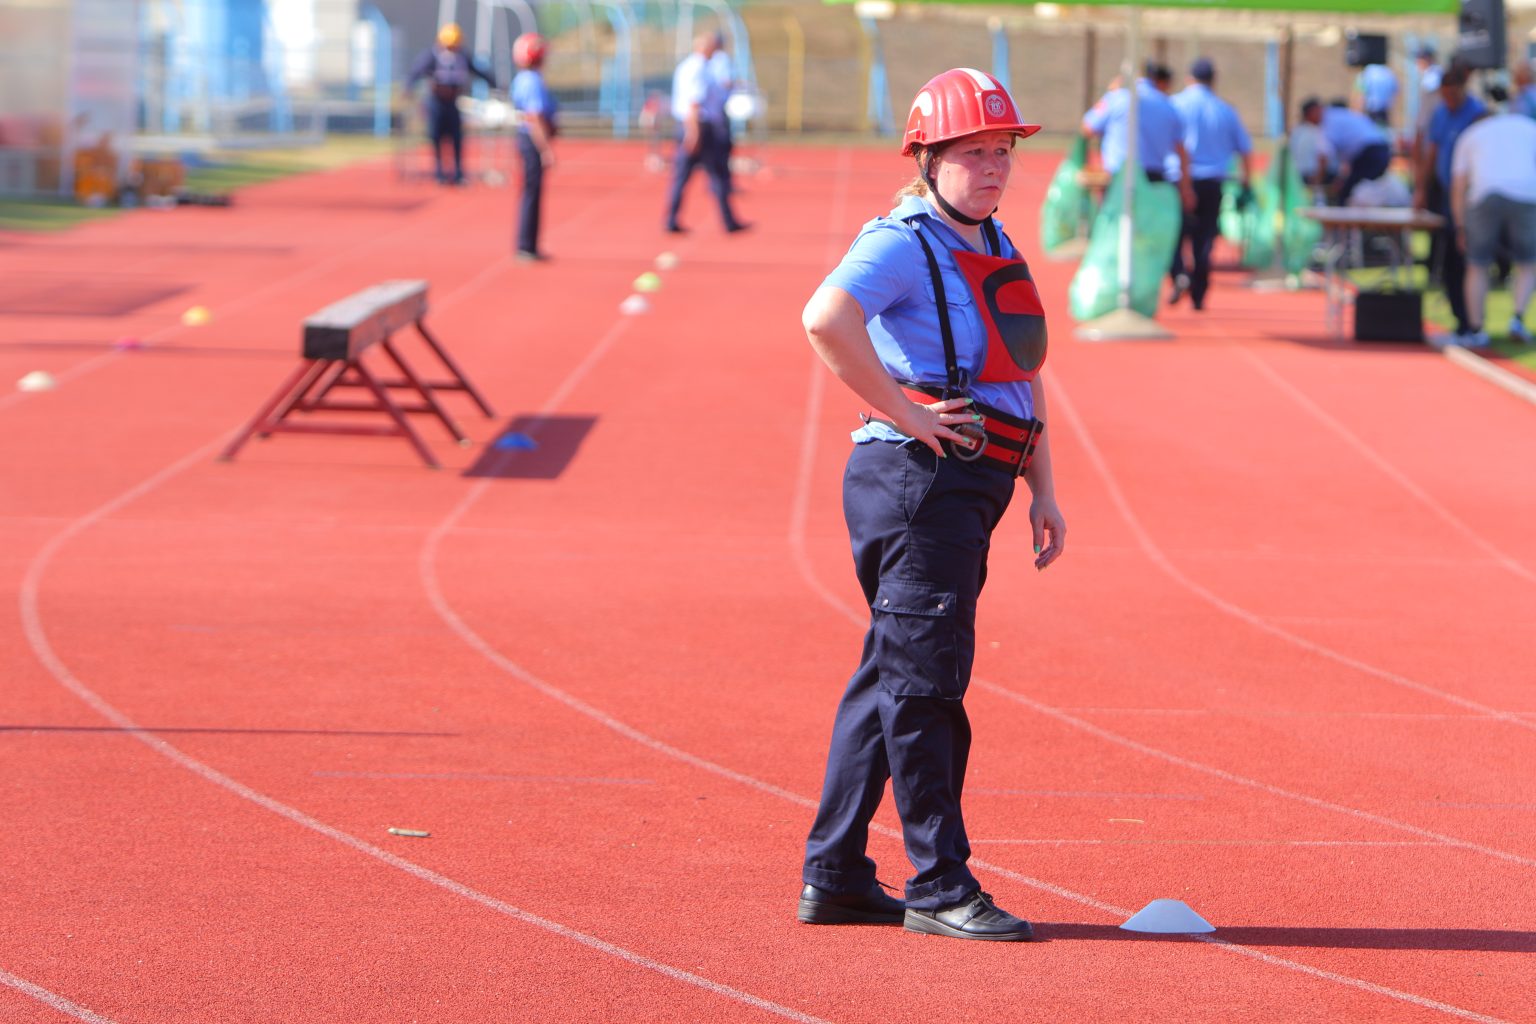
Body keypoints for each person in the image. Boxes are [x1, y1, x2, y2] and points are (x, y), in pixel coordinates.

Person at [797, 67, 1065, 943]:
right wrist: (901, 410)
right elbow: (825, 316)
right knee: (927, 689)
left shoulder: (991, 240)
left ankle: (835, 875)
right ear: (928, 156)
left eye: (1002, 152)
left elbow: (1019, 371)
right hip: (918, 485)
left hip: (978, 483)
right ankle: (939, 885)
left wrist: (1043, 487)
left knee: (891, 677)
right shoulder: (905, 240)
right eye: (973, 154)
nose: (993, 168)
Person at [1449, 95, 1536, 345]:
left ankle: (1476, 330)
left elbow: (1458, 185)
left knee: (1477, 264)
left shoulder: (1470, 134)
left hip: (1484, 194)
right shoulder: (1527, 126)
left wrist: (1460, 225)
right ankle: (1517, 318)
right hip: (1526, 193)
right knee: (1528, 263)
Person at [1168, 57, 1253, 311]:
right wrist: (1246, 182)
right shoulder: (1225, 110)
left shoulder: (1175, 105)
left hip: (1179, 179)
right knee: (1204, 239)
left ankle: (1179, 273)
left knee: (1174, 234)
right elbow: (1245, 149)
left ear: (1188, 78)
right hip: (1212, 182)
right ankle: (1199, 292)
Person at [1415, 61, 1487, 343]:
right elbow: (1432, 152)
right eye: (1444, 95)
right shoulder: (1440, 114)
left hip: (1471, 196)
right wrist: (1421, 188)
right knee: (1448, 260)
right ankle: (1461, 320)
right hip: (1446, 194)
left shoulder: (1477, 114)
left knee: (1467, 259)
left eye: (1452, 94)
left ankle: (1473, 322)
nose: (1448, 100)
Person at [664, 31, 746, 234]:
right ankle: (727, 222)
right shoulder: (698, 68)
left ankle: (673, 219)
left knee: (686, 176)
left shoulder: (693, 66)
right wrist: (694, 134)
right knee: (712, 175)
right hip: (700, 128)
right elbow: (694, 104)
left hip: (696, 127)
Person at [1082, 59, 1194, 207]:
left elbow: (1088, 127)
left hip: (1119, 176)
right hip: (1154, 178)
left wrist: (1108, 94)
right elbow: (1181, 150)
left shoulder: (1116, 98)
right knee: (1150, 227)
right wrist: (1186, 188)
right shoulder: (1168, 105)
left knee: (1115, 224)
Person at [407, 23, 497, 185]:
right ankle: (439, 172)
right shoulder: (431, 56)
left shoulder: (463, 56)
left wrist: (493, 82)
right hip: (436, 103)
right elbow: (416, 71)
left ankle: (457, 173)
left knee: (456, 137)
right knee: (436, 137)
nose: (452, 50)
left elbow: (478, 70)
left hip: (452, 103)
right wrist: (408, 87)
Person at [510, 32, 557, 262]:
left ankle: (528, 244)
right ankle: (526, 245)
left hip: (526, 140)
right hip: (531, 141)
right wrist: (545, 148)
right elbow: (534, 117)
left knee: (532, 192)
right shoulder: (532, 81)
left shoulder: (524, 78)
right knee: (531, 192)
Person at [1316, 98, 1392, 205]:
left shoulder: (1328, 121)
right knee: (1356, 188)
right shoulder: (1341, 115)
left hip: (1370, 152)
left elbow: (1324, 156)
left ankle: (1341, 218)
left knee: (1348, 191)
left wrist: (1318, 181)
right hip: (1380, 149)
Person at [1290, 98, 1339, 193]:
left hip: (1317, 177)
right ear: (1309, 113)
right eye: (1318, 111)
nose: (1322, 114)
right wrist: (1317, 180)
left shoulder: (1300, 130)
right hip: (1309, 176)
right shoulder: (1303, 131)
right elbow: (1322, 157)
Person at [1354, 62, 1399, 127]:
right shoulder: (1389, 73)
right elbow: (1396, 92)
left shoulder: (1365, 73)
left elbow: (1360, 97)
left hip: (1370, 112)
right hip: (1384, 113)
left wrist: (1358, 118)